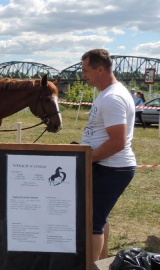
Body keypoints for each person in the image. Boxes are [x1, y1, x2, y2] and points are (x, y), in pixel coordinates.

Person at [80, 49, 136, 263]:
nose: (83, 75)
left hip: (111, 167)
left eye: (86, 70)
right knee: (100, 218)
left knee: (93, 222)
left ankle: (92, 266)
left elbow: (117, 142)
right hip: (106, 166)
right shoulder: (108, 94)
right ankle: (102, 264)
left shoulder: (113, 97)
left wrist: (87, 158)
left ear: (100, 69)